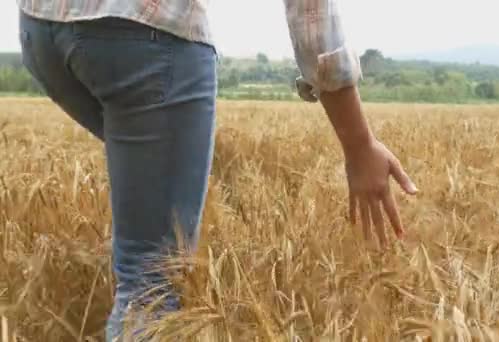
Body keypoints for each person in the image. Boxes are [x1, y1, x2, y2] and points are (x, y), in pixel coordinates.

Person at [17, 0, 418, 340]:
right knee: (149, 286)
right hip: (145, 35)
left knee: (152, 205)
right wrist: (359, 144)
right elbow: (311, 15)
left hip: (41, 26)